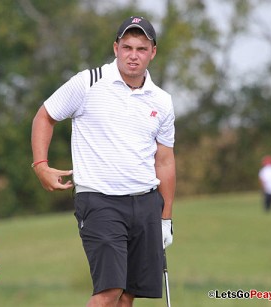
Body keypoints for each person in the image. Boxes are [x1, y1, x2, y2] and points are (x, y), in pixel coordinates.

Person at [31, 16, 176, 307]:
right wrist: (41, 165)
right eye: (127, 47)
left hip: (145, 202)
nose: (133, 55)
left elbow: (165, 161)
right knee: (109, 292)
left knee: (127, 295)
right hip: (100, 200)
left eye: (141, 49)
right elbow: (45, 116)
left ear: (153, 52)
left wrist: (166, 218)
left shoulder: (161, 100)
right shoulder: (88, 82)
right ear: (116, 48)